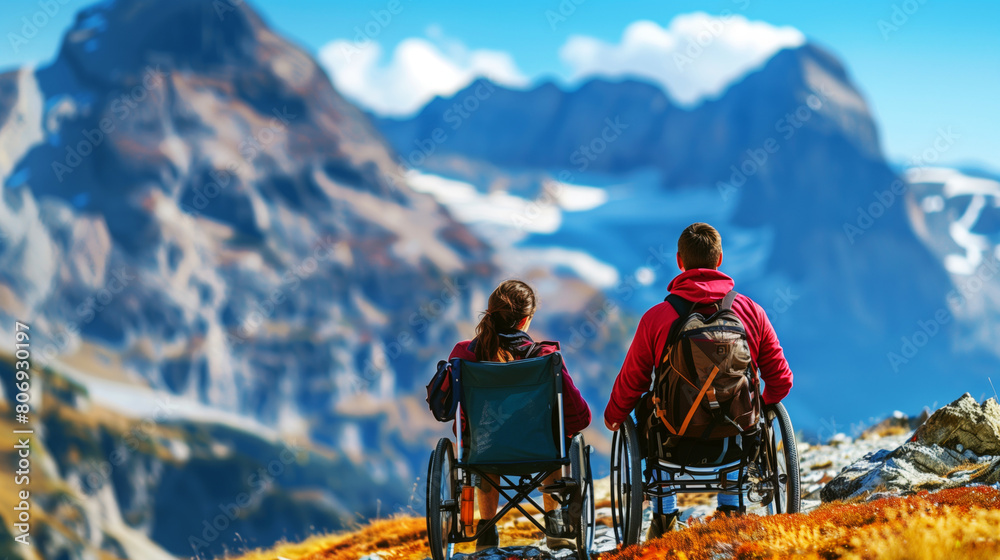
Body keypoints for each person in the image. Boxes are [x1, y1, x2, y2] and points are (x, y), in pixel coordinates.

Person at [604, 223, 793, 539]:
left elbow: (633, 381)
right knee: (740, 408)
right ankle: (731, 507)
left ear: (680, 261)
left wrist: (613, 417)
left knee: (648, 407)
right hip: (737, 438)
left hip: (674, 437)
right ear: (719, 259)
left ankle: (664, 516)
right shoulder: (750, 312)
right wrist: (760, 405)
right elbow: (781, 380)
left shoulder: (657, 317)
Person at [449, 279, 592, 551]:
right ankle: (554, 523)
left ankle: (486, 533)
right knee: (555, 434)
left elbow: (448, 409)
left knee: (484, 439)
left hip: (484, 453)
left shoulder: (464, 355)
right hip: (540, 453)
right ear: (526, 319)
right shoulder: (546, 357)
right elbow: (579, 416)